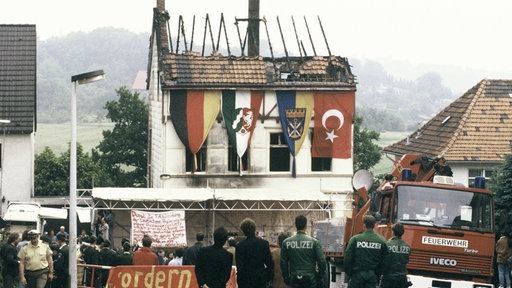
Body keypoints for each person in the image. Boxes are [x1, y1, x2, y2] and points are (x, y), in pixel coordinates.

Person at [281, 215, 326, 288]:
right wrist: (318, 276)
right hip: (311, 280)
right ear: (305, 226)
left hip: (294, 279)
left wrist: (286, 278)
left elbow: (283, 263)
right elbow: (322, 261)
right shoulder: (314, 242)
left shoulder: (286, 242)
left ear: (296, 225)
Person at [344, 215, 388, 288]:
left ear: (364, 225)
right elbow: (385, 260)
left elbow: (347, 258)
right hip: (372, 275)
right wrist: (378, 274)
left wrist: (350, 273)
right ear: (374, 225)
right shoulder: (381, 240)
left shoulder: (355, 239)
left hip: (357, 275)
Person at [235, 218, 274, 288]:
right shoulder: (264, 244)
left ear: (243, 231)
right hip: (260, 280)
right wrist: (266, 277)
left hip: (245, 281)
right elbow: (270, 263)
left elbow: (240, 267)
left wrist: (240, 282)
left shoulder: (239, 246)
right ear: (254, 229)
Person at [380, 223, 411, 288]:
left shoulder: (387, 244)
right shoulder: (407, 246)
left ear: (393, 232)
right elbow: (407, 260)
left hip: (389, 277)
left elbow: (383, 261)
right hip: (402, 277)